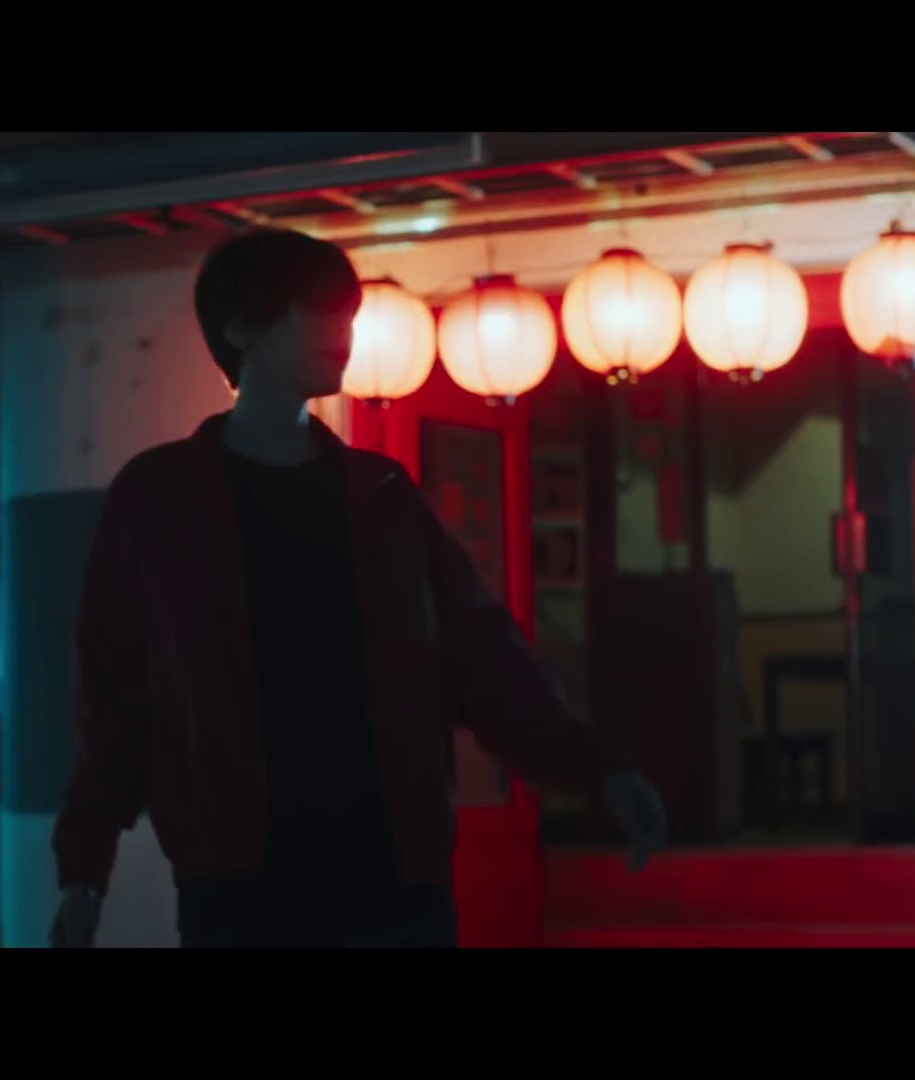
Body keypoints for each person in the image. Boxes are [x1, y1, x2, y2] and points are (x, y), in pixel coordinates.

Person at [50, 228, 666, 949]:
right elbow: (115, 696)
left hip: (392, 880)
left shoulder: (379, 494)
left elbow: (484, 660)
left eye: (346, 311)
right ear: (241, 328)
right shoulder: (160, 498)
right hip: (243, 892)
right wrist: (84, 870)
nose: (341, 329)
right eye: (315, 309)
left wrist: (600, 772)